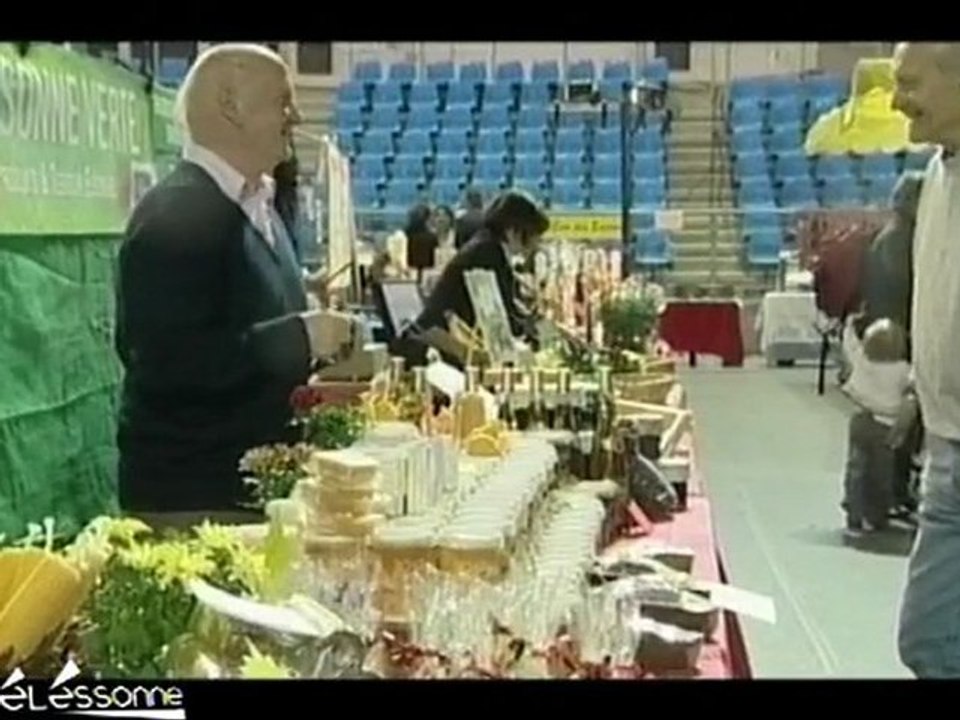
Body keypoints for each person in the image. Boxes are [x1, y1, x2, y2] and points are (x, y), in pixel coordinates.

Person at [115, 44, 355, 528]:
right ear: (231, 105)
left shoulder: (256, 208)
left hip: (245, 495)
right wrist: (302, 336)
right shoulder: (176, 214)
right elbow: (171, 364)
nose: (297, 114)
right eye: (282, 102)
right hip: (195, 503)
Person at [892, 41, 960, 678]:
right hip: (946, 444)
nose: (895, 99)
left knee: (932, 641)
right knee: (930, 641)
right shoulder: (937, 173)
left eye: (910, 81)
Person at [409, 190, 548, 366]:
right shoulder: (487, 253)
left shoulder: (488, 246)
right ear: (513, 230)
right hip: (439, 346)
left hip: (448, 341)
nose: (536, 244)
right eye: (534, 235)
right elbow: (501, 314)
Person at [840, 317, 911, 538]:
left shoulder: (863, 361)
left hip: (861, 421)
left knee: (856, 468)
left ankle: (853, 512)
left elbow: (849, 347)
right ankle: (877, 515)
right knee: (881, 472)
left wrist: (849, 325)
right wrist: (902, 430)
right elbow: (911, 400)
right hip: (885, 428)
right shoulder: (903, 370)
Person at [431, 204, 457, 270]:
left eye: (444, 216)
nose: (441, 219)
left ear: (451, 219)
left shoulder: (457, 237)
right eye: (438, 216)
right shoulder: (429, 238)